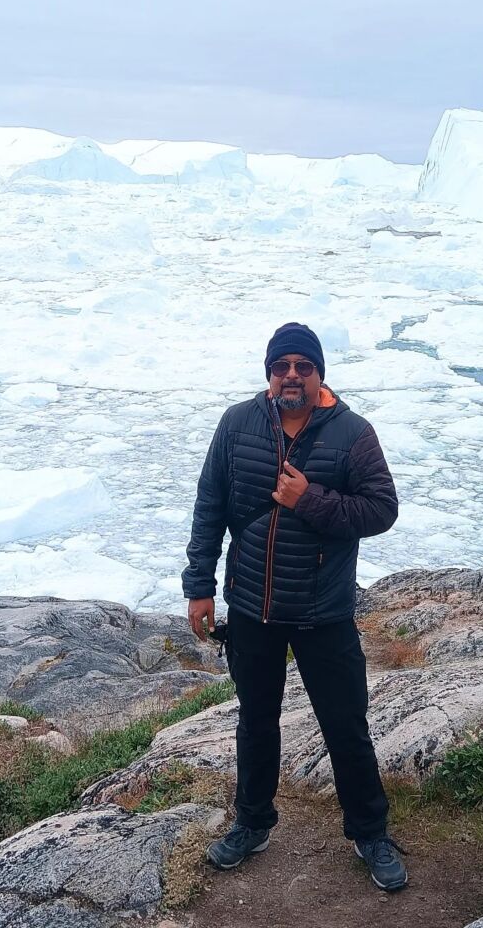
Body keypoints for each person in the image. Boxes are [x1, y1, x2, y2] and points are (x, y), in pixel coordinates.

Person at [182, 322, 406, 892]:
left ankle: (370, 832)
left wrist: (312, 500)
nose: (291, 375)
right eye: (281, 365)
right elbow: (210, 506)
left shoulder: (353, 434)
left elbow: (381, 510)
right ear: (269, 372)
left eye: (302, 367)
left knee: (345, 725)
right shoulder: (237, 425)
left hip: (323, 610)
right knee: (255, 723)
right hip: (252, 608)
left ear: (318, 374)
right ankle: (252, 822)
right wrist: (199, 585)